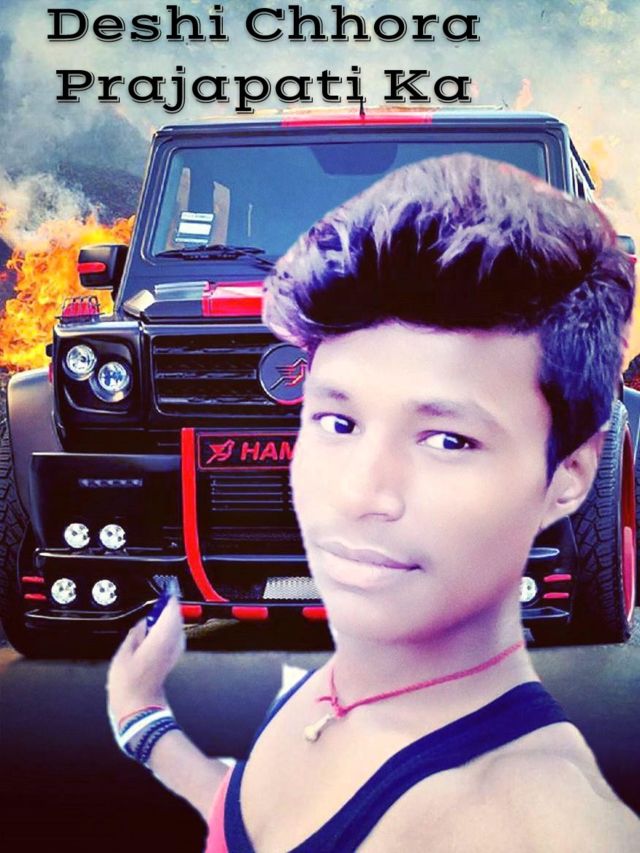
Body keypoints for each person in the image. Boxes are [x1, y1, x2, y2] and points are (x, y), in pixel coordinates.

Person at [107, 153, 640, 851]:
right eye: (337, 422)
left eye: (447, 440)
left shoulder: (541, 821)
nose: (360, 493)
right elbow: (254, 815)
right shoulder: (328, 692)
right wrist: (143, 721)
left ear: (569, 474)